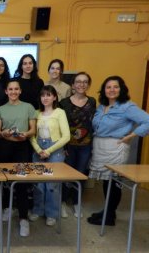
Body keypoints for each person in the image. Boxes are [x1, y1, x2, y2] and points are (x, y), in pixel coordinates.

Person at [87, 76, 149, 226]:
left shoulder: (127, 107)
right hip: (100, 147)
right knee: (106, 182)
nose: (112, 90)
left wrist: (131, 135)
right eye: (108, 87)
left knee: (114, 182)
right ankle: (108, 211)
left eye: (115, 87)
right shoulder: (101, 106)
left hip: (115, 147)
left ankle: (109, 216)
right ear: (104, 90)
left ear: (121, 89)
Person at [0, 78, 36, 237]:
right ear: (6, 91)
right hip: (4, 147)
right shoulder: (0, 109)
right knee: (5, 181)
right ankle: (7, 209)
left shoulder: (29, 107)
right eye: (10, 89)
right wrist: (4, 133)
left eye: (16, 89)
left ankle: (23, 218)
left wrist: (25, 134)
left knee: (22, 183)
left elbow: (33, 130)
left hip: (22, 148)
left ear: (20, 91)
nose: (13, 92)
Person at [29, 85, 70, 227]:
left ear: (54, 97)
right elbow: (31, 135)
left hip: (56, 151)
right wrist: (39, 149)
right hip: (38, 150)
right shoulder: (35, 113)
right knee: (39, 183)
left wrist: (49, 151)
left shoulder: (60, 112)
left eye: (48, 95)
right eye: (43, 95)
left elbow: (66, 137)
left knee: (52, 184)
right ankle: (38, 210)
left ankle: (52, 213)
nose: (45, 98)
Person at [60, 72, 96, 218]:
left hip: (85, 145)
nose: (81, 84)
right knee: (65, 174)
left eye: (85, 82)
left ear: (88, 84)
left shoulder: (92, 101)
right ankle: (62, 202)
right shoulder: (64, 102)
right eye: (78, 82)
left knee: (80, 174)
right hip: (68, 145)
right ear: (73, 85)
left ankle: (76, 202)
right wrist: (62, 146)